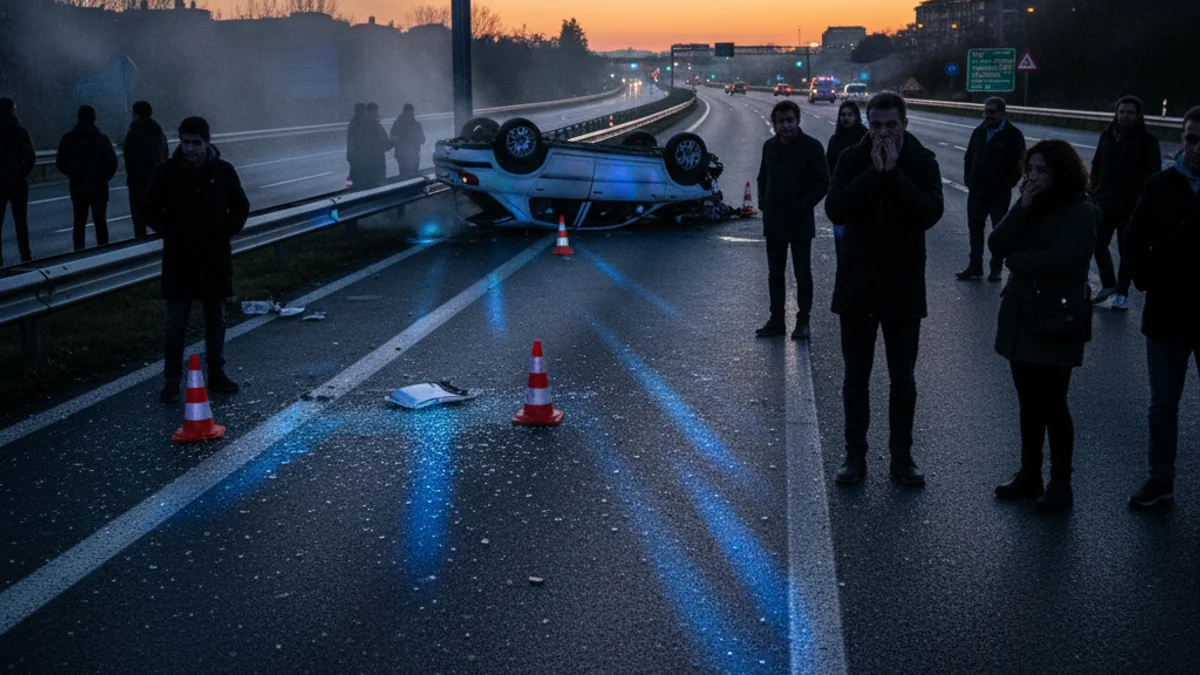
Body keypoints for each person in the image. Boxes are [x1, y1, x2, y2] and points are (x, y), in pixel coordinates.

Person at [825, 91, 944, 486]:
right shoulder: (851, 157)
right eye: (876, 124)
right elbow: (836, 209)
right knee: (855, 378)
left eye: (891, 124)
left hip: (903, 285)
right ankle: (854, 455)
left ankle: (902, 457)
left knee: (902, 379)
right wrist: (873, 174)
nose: (883, 133)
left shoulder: (922, 160)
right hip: (857, 284)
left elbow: (930, 213)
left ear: (905, 123)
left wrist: (893, 174)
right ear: (867, 123)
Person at [988, 140, 1099, 514]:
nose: (1032, 177)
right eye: (1029, 170)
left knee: (1053, 403)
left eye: (1041, 171)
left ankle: (1061, 482)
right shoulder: (1030, 206)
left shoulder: (1081, 211)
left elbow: (1065, 260)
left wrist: (1018, 260)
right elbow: (997, 242)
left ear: (1060, 173)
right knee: (1027, 402)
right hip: (1022, 315)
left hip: (1056, 319)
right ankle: (1029, 473)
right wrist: (1021, 208)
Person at [1124, 106, 1200, 509]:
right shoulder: (1161, 185)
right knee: (1163, 403)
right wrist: (1146, 278)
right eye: (1191, 138)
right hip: (1167, 310)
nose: (1197, 148)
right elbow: (1134, 237)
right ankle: (1160, 479)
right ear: (1182, 140)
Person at [143, 116, 250, 403]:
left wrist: (225, 229)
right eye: (186, 142)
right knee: (176, 322)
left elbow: (240, 205)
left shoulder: (223, 171)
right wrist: (170, 230)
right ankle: (171, 380)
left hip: (214, 256)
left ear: (207, 142)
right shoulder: (166, 172)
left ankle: (216, 372)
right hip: (180, 257)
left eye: (196, 143)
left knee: (216, 317)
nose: (190, 149)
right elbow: (149, 208)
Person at [754, 99, 830, 340]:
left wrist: (803, 206)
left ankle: (803, 321)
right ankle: (776, 320)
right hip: (774, 221)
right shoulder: (769, 146)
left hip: (799, 222)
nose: (785, 126)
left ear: (798, 121)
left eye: (790, 121)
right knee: (775, 274)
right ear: (774, 123)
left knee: (802, 273)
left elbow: (822, 182)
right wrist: (763, 202)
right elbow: (762, 177)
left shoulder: (812, 147)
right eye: (780, 121)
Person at [1090, 95, 1162, 311]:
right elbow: (1097, 164)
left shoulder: (1148, 141)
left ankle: (1122, 293)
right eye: (1121, 112)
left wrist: (1145, 203)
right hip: (1105, 202)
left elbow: (1154, 174)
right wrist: (1094, 190)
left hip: (1132, 206)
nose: (1124, 116)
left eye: (1130, 112)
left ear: (1139, 115)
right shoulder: (1107, 136)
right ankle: (1109, 284)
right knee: (1097, 243)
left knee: (1127, 251)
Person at [957, 97, 1026, 282]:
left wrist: (1008, 182)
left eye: (992, 112)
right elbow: (969, 156)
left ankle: (996, 268)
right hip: (977, 190)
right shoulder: (979, 132)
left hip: (999, 193)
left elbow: (1022, 163)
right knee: (975, 229)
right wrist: (969, 179)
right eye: (986, 111)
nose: (988, 116)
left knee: (999, 231)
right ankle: (975, 267)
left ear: (1002, 113)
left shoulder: (1013, 135)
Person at [56, 106, 119, 251]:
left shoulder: (68, 139)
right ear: (94, 118)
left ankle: (78, 253)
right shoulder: (102, 139)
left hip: (78, 186)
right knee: (100, 221)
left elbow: (60, 162)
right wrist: (103, 178)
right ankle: (103, 251)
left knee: (79, 222)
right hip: (99, 187)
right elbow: (112, 163)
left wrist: (73, 174)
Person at [825, 100, 867, 260]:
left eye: (850, 115)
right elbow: (829, 167)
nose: (846, 118)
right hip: (841, 201)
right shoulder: (835, 140)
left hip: (862, 200)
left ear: (856, 117)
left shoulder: (865, 139)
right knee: (842, 249)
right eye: (843, 115)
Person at [122, 100, 169, 239]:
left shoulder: (133, 133)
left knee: (139, 218)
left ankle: (141, 245)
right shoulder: (159, 132)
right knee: (158, 215)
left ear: (135, 114)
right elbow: (165, 155)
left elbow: (129, 158)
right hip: (158, 181)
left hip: (137, 183)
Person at [0, 97, 35, 265]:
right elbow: (30, 157)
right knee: (21, 221)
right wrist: (21, 174)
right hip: (17, 182)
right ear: (13, 110)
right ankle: (25, 255)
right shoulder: (20, 132)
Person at [353, 102, 393, 190]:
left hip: (367, 165)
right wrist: (394, 141)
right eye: (375, 111)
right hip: (376, 164)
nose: (377, 114)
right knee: (378, 188)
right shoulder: (376, 127)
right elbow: (385, 145)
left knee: (369, 188)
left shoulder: (360, 126)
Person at [390, 103, 426, 180]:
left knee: (411, 178)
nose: (411, 114)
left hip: (411, 155)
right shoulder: (398, 124)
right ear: (405, 112)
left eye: (411, 112)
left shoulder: (415, 124)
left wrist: (415, 138)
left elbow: (423, 140)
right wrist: (401, 138)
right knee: (407, 178)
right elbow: (392, 138)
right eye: (409, 112)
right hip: (404, 156)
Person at [346, 102, 366, 188]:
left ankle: (350, 188)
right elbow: (359, 140)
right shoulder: (359, 123)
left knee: (353, 173)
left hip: (353, 154)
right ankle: (353, 189)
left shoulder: (353, 122)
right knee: (358, 175)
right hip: (358, 155)